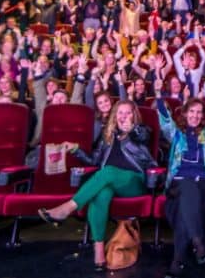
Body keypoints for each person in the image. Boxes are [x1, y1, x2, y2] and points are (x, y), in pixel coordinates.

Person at [37, 100, 155, 272]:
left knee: (108, 172)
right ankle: (99, 251)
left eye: (128, 113)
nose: (123, 116)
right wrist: (75, 148)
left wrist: (132, 129)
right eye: (120, 113)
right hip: (110, 182)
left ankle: (67, 208)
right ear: (115, 116)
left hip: (133, 182)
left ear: (134, 115)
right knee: (101, 193)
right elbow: (94, 161)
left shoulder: (141, 130)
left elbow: (143, 136)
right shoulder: (107, 136)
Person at [157, 90, 205, 278]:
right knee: (187, 187)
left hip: (204, 183)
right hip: (178, 182)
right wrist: (159, 93)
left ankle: (178, 260)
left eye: (199, 112)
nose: (195, 115)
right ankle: (198, 243)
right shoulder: (176, 134)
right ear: (184, 113)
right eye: (191, 111)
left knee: (186, 200)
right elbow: (165, 121)